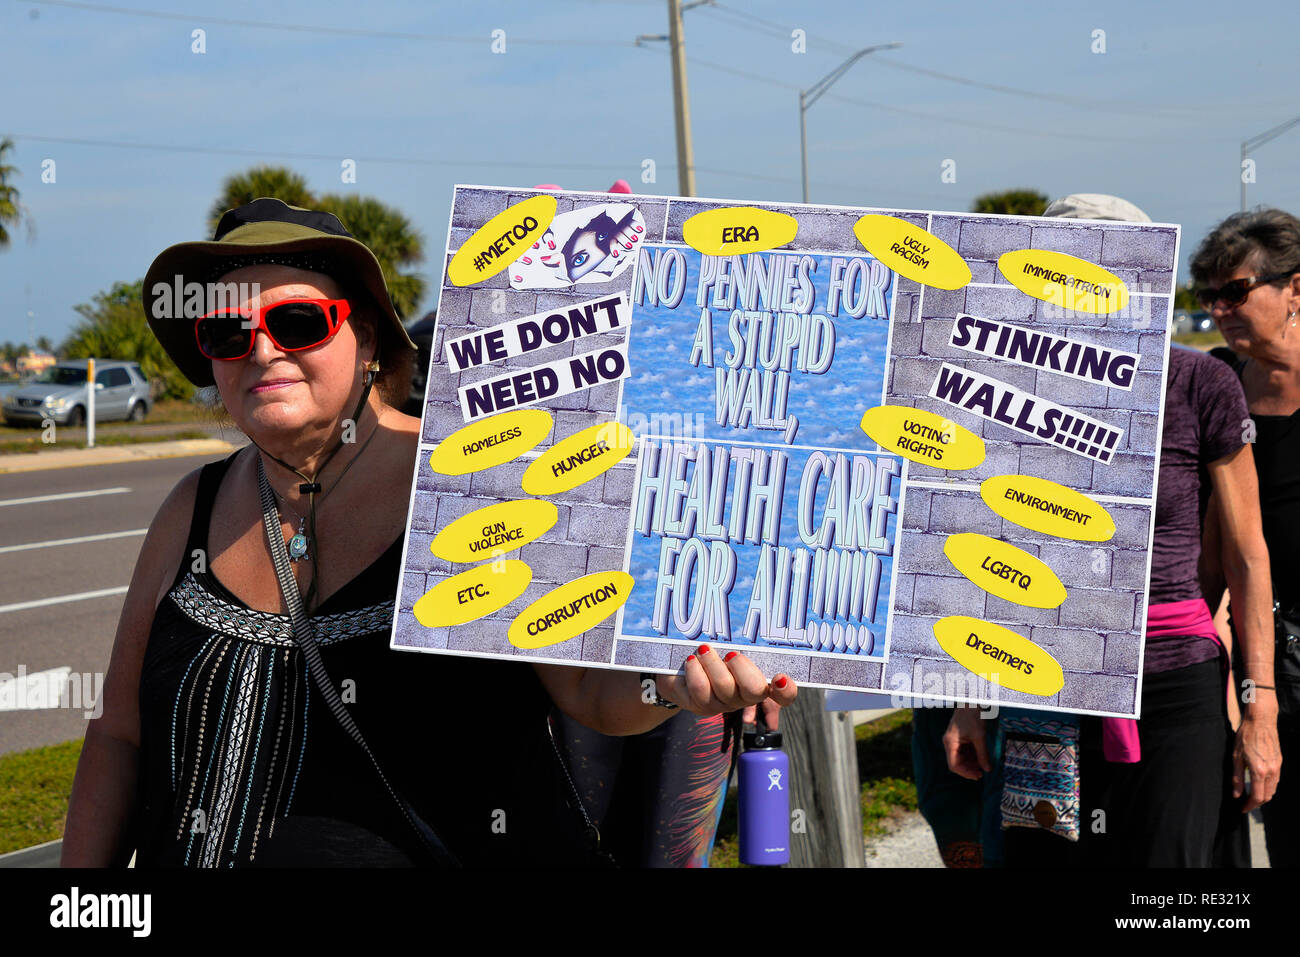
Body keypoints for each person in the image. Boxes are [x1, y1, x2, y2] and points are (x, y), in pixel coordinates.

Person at [60, 197, 797, 867]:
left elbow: (589, 691)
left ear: (367, 337)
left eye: (298, 322)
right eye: (228, 331)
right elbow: (118, 733)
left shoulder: (472, 478)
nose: (261, 350)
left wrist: (668, 686)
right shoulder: (190, 507)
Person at [944, 194, 1280, 867]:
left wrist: (1259, 706)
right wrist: (968, 699)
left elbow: (1247, 556)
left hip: (1173, 679)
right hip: (1044, 681)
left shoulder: (1197, 381)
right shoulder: (1009, 390)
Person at [1193, 207, 1300, 866]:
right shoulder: (1220, 383)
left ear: (1295, 289)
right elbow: (1215, 550)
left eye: (1235, 291)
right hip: (1264, 651)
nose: (1219, 310)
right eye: (1209, 296)